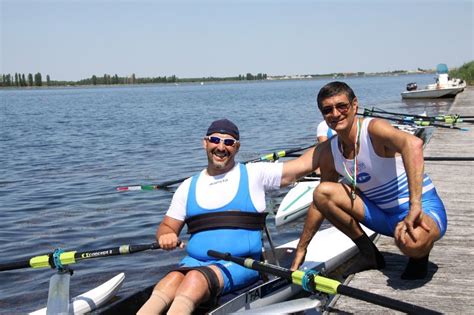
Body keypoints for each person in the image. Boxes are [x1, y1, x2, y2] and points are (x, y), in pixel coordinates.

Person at [138, 118, 317, 315]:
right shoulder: (187, 186)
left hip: (242, 263)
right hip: (194, 262)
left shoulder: (254, 174)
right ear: (205, 143)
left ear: (237, 147)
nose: (221, 147)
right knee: (170, 281)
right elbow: (167, 227)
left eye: (229, 142)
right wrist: (166, 235)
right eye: (215, 140)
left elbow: (301, 165)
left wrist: (337, 141)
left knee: (194, 279)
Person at [291, 81, 447, 280]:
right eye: (328, 110)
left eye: (342, 106)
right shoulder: (329, 152)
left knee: (413, 242)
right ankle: (369, 253)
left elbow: (414, 144)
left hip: (422, 208)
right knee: (322, 193)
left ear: (354, 105)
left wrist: (414, 205)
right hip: (382, 216)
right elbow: (319, 204)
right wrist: (301, 248)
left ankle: (419, 257)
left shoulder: (373, 129)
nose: (335, 114)